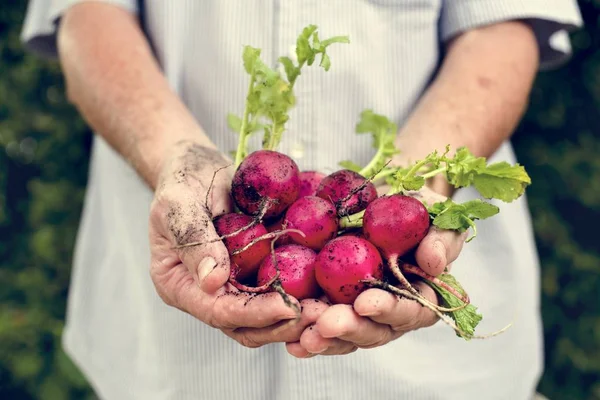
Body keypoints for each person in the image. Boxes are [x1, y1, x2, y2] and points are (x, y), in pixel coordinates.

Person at [21, 1, 583, 399]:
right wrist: (173, 156)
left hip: (434, 380)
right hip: (171, 361)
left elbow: (500, 26)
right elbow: (88, 15)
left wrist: (427, 187)